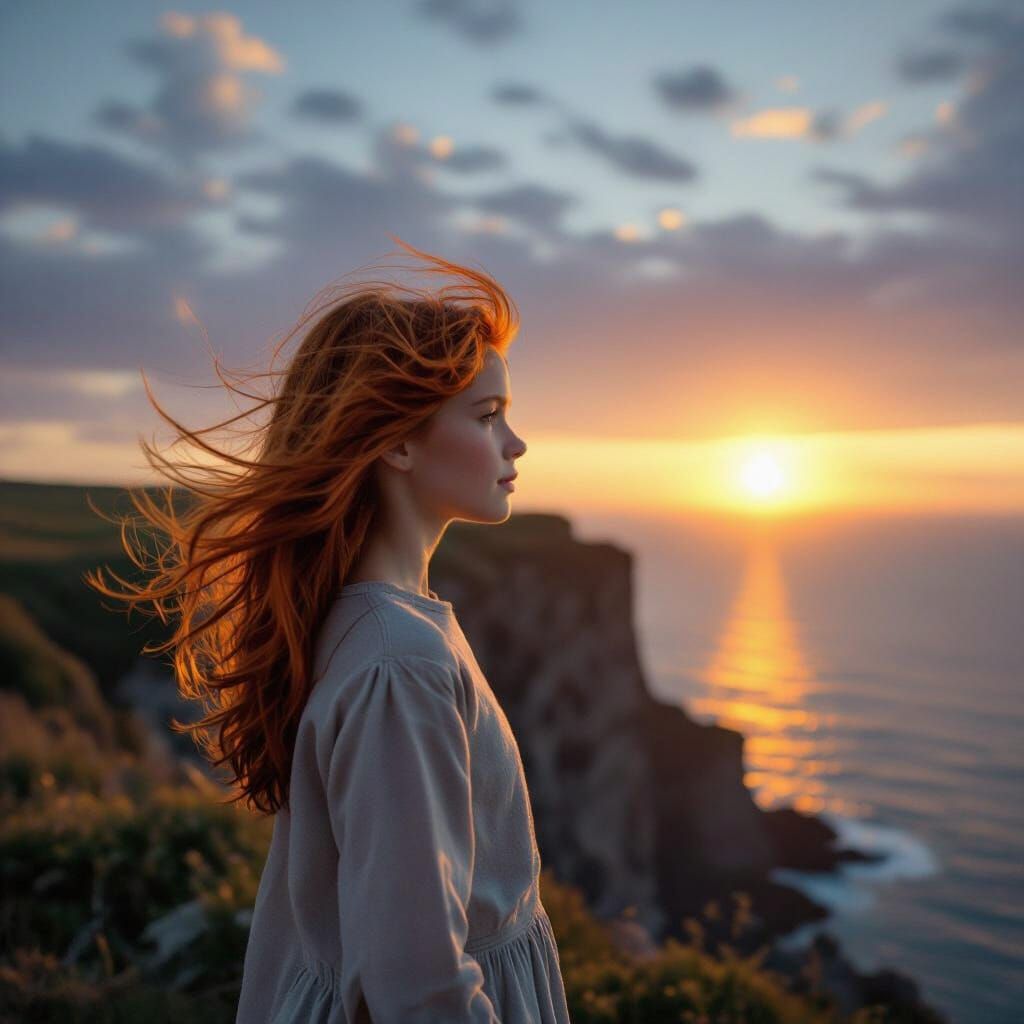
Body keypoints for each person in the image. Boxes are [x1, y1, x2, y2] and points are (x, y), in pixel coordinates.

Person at [85, 236, 572, 1023]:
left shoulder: (367, 622)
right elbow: (419, 989)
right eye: (486, 417)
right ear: (396, 441)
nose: (515, 444)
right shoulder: (400, 663)